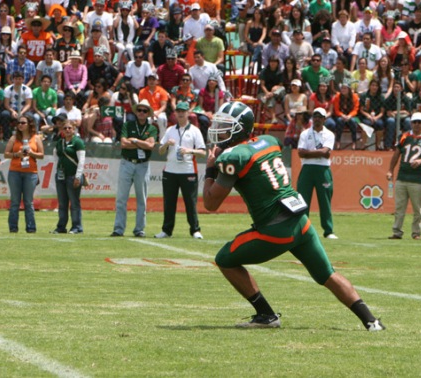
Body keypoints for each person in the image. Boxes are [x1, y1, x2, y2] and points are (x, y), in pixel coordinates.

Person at [202, 101, 385, 331]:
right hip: (300, 221)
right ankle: (372, 322)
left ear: (240, 128)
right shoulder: (268, 141)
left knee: (224, 259)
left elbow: (210, 203)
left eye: (226, 126)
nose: (220, 130)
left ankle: (266, 315)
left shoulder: (233, 157)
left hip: (274, 229)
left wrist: (210, 168)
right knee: (328, 274)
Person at [155, 101, 206, 240]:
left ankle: (195, 230)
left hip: (188, 170)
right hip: (170, 171)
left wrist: (189, 150)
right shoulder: (170, 129)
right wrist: (166, 144)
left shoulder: (195, 130)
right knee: (169, 202)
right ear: (175, 113)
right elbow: (160, 151)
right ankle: (166, 230)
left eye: (183, 111)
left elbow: (203, 152)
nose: (181, 113)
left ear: (188, 113)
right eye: (178, 111)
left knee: (190, 202)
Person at [110, 99, 158, 238]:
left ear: (148, 113)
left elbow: (150, 146)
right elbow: (124, 144)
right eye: (139, 110)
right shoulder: (128, 125)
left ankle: (139, 229)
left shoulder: (152, 128)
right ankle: (119, 228)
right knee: (121, 198)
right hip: (127, 162)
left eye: (144, 110)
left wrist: (135, 141)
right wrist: (142, 143)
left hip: (143, 164)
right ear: (136, 112)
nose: (141, 113)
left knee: (141, 199)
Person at [387, 112, 421, 240]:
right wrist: (390, 170)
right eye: (414, 122)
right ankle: (397, 232)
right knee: (399, 207)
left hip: (417, 178)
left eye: (419, 122)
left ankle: (416, 233)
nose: (416, 125)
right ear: (411, 123)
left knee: (417, 208)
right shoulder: (404, 136)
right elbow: (396, 154)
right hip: (402, 176)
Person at [297, 107, 338, 239]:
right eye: (315, 116)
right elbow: (300, 153)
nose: (317, 119)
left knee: (325, 200)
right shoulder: (305, 133)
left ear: (324, 119)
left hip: (323, 169)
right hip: (307, 169)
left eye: (320, 117)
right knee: (303, 200)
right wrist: (319, 153)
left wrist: (309, 153)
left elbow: (325, 152)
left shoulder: (329, 134)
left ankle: (328, 230)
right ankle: (302, 229)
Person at [3, 114, 44, 233]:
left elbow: (41, 155)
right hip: (15, 172)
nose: (20, 125)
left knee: (28, 202)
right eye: (19, 123)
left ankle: (31, 228)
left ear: (29, 124)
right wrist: (17, 155)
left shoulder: (36, 138)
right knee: (15, 201)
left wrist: (31, 153)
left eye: (23, 123)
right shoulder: (14, 138)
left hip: (30, 172)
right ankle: (13, 227)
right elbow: (6, 154)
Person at [51, 120, 86, 234]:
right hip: (61, 176)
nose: (67, 130)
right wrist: (58, 169)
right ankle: (61, 226)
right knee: (62, 203)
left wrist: (78, 176)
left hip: (73, 175)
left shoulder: (78, 142)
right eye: (65, 128)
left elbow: (81, 160)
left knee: (74, 202)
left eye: (69, 128)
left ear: (74, 129)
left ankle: (77, 227)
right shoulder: (59, 142)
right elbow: (56, 156)